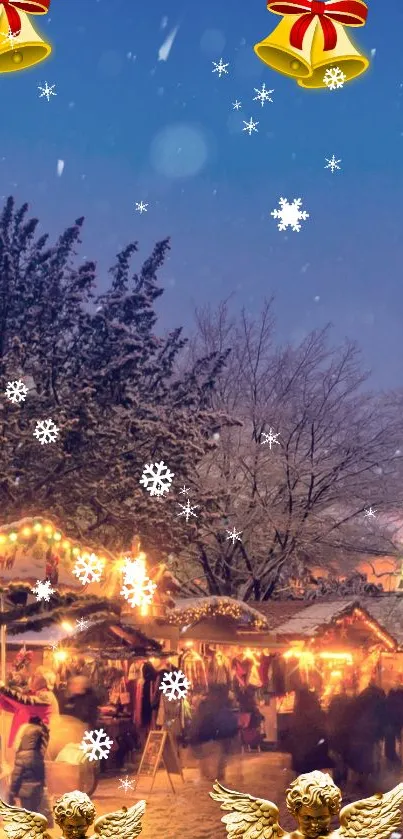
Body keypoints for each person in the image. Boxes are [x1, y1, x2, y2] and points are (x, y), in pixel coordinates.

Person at [190, 684, 239, 782]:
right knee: (217, 754)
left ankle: (213, 775)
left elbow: (199, 720)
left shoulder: (206, 704)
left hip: (210, 736)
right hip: (214, 736)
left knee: (214, 755)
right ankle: (215, 775)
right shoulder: (219, 704)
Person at [9, 715, 49, 814]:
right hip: (38, 792)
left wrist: (11, 794)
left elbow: (16, 777)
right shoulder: (39, 756)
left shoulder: (21, 755)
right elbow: (42, 776)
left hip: (25, 794)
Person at [289, 688, 331, 774]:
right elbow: (324, 734)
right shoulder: (318, 714)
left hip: (300, 757)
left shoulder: (297, 715)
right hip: (314, 756)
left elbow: (292, 736)